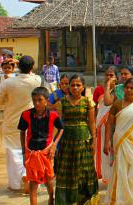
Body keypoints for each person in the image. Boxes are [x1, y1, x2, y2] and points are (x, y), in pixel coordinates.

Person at [0, 56, 42, 192]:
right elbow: (33, 74)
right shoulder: (36, 81)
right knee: (31, 150)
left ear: (17, 67)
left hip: (12, 121)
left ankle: (18, 180)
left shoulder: (8, 83)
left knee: (13, 152)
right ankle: (28, 174)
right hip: (31, 120)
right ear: (31, 67)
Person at [54, 75, 99, 204]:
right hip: (67, 141)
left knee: (84, 170)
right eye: (72, 85)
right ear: (69, 87)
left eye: (78, 85)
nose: (75, 88)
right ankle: (67, 200)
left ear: (83, 87)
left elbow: (91, 123)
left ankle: (84, 199)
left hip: (83, 140)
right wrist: (54, 143)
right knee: (67, 171)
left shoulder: (88, 102)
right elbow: (58, 124)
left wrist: (94, 141)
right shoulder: (62, 102)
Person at [18, 87, 64, 205]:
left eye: (40, 100)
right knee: (33, 182)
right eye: (34, 100)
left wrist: (54, 145)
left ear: (46, 100)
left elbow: (61, 129)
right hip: (31, 152)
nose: (36, 103)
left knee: (48, 179)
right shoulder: (26, 114)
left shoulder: (53, 115)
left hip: (46, 151)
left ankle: (51, 197)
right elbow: (22, 132)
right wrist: (24, 152)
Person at [95, 66, 118, 183]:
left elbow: (108, 102)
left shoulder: (119, 91)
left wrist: (108, 86)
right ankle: (109, 178)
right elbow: (97, 108)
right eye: (107, 75)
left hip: (114, 127)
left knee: (114, 153)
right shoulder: (100, 90)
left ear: (116, 78)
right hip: (103, 127)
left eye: (111, 75)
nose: (108, 78)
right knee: (106, 154)